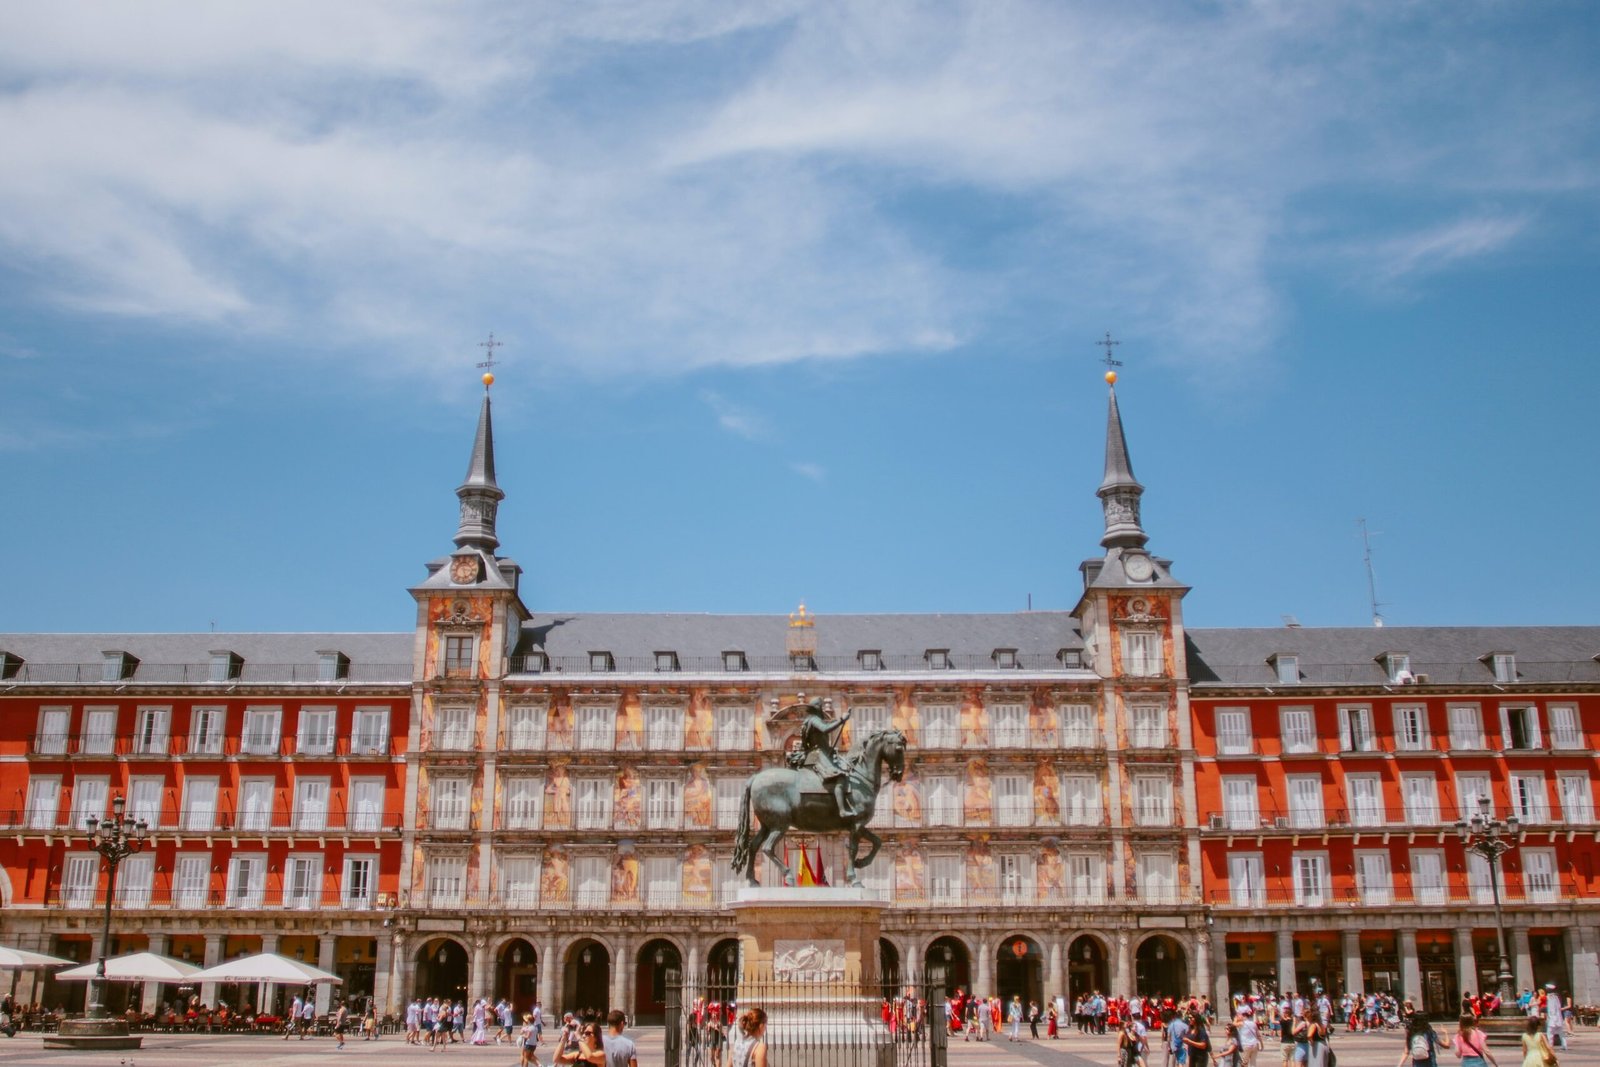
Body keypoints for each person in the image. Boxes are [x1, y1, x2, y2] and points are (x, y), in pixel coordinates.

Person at [798, 700, 858, 818]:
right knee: (840, 776)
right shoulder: (814, 719)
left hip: (818, 753)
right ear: (818, 708)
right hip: (819, 754)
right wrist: (842, 720)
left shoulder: (808, 721)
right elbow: (825, 729)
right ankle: (842, 810)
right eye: (821, 708)